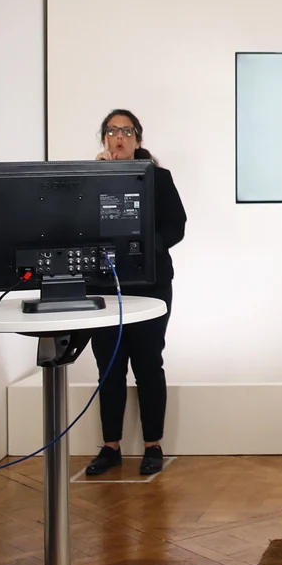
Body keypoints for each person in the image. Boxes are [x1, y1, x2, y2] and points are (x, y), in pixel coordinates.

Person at [85, 109, 187, 477]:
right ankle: (110, 447)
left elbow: (177, 226)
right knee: (108, 367)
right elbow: (79, 225)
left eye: (126, 131)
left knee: (148, 364)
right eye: (112, 132)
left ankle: (152, 446)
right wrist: (96, 178)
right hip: (105, 287)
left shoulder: (159, 179)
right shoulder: (90, 179)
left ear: (138, 140)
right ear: (104, 141)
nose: (119, 138)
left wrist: (145, 247)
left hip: (151, 287)